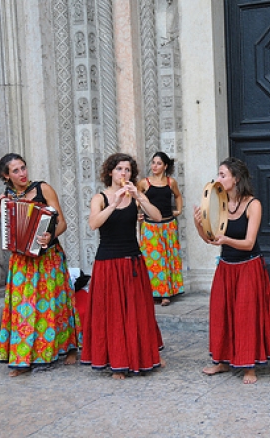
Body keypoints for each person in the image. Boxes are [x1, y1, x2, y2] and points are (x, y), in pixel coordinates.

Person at [193, 157, 270, 384]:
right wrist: (199, 224)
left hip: (249, 266)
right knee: (221, 314)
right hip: (226, 267)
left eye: (222, 175)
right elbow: (210, 240)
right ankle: (221, 360)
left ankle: (249, 366)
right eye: (218, 174)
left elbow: (249, 243)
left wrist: (227, 239)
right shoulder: (218, 203)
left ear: (236, 179)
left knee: (246, 316)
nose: (218, 179)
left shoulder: (253, 204)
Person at [0, 153, 81, 376]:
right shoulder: (6, 198)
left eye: (23, 168)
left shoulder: (43, 189)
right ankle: (22, 358)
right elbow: (10, 231)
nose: (22, 173)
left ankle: (69, 347)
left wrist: (49, 236)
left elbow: (62, 222)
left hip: (48, 256)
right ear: (6, 175)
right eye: (16, 170)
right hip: (21, 260)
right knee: (24, 308)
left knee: (56, 304)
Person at [80, 152, 165, 379]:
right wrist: (114, 204)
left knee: (138, 309)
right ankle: (117, 359)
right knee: (114, 313)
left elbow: (157, 217)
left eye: (127, 170)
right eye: (119, 169)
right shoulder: (100, 198)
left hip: (133, 259)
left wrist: (141, 198)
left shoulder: (135, 196)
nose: (123, 173)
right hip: (108, 261)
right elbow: (93, 224)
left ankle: (145, 354)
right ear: (110, 172)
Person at [137, 152, 184, 306]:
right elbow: (136, 199)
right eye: (153, 163)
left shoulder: (171, 182)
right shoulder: (144, 183)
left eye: (158, 163)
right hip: (150, 226)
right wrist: (137, 214)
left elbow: (177, 196)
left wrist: (179, 210)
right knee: (152, 259)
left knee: (168, 258)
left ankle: (166, 294)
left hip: (168, 225)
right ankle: (151, 292)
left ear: (165, 166)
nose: (154, 166)